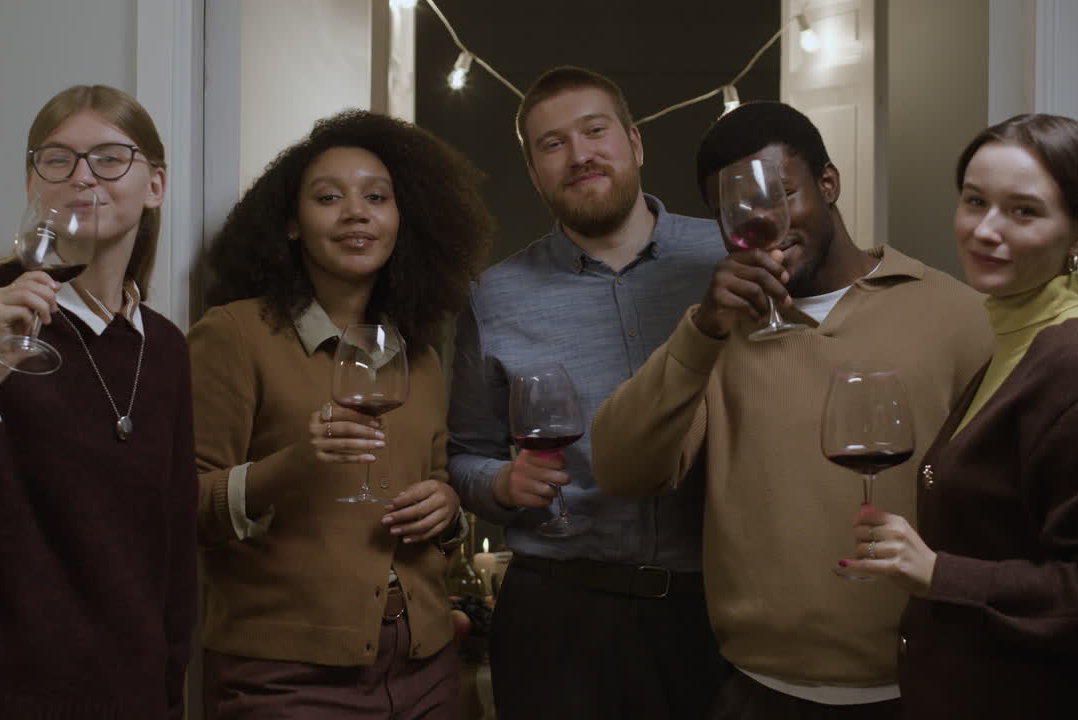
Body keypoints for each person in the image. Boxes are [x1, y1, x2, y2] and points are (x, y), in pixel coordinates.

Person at [590, 101, 993, 719]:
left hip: (926, 689)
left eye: (781, 194)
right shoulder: (715, 334)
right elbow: (621, 469)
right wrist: (703, 330)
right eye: (735, 211)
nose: (763, 222)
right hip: (758, 692)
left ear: (828, 184)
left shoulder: (958, 317)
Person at [839, 114, 1078, 719]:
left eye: (1023, 211)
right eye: (975, 201)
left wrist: (940, 573)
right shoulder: (1016, 337)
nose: (984, 230)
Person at [447, 65, 731, 719]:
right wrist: (500, 483)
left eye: (595, 131)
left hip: (720, 608)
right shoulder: (494, 296)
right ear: (534, 171)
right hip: (560, 615)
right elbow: (462, 456)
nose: (579, 156)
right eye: (553, 144)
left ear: (634, 142)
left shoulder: (719, 259)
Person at [189, 109, 493, 719]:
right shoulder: (234, 335)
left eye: (377, 197)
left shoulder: (422, 358)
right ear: (293, 224)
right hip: (285, 676)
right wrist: (295, 465)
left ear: (402, 220)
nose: (356, 212)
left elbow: (437, 499)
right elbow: (180, 507)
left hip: (426, 666)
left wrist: (450, 510)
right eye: (329, 197)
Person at [0, 84, 195, 718]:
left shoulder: (168, 349)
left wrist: (167, 688)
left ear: (155, 185)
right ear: (31, 186)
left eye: (109, 158)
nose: (84, 178)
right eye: (58, 159)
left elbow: (174, 553)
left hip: (127, 694)